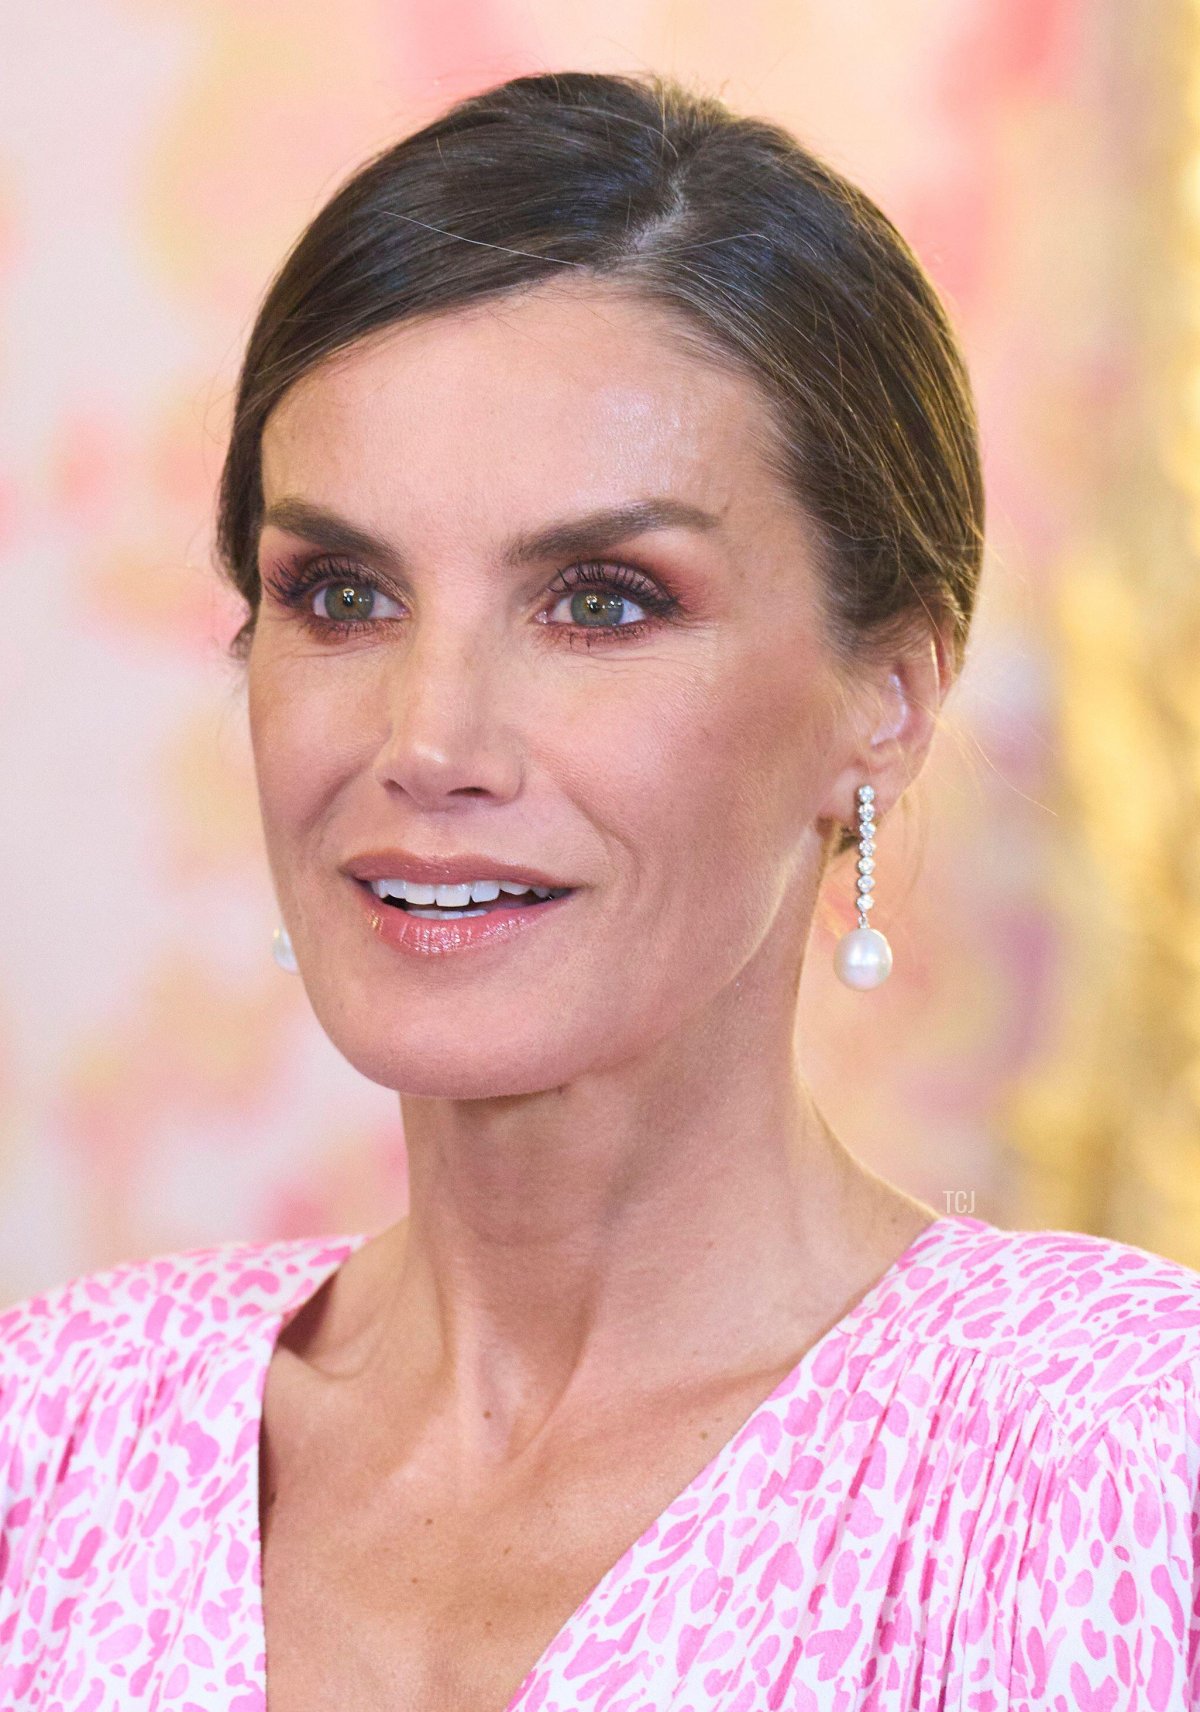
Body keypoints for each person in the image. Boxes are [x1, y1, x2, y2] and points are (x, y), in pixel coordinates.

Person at [3, 67, 1199, 1712]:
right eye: (342, 594)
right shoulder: (45, 1447)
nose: (428, 742)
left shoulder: (1121, 1465)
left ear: (890, 694)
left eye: (604, 602)